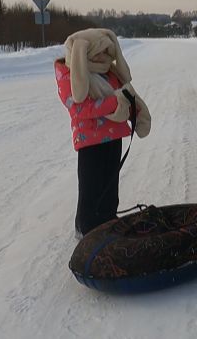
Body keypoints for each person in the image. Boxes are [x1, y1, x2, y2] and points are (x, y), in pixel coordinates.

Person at [54, 29, 151, 237]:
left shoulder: (109, 72)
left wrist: (136, 109)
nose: (105, 58)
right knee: (91, 187)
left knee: (110, 183)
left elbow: (126, 94)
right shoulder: (69, 75)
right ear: (85, 53)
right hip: (90, 140)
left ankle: (107, 219)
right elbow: (80, 109)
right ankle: (87, 228)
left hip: (114, 136)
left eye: (108, 53)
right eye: (100, 53)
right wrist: (116, 101)